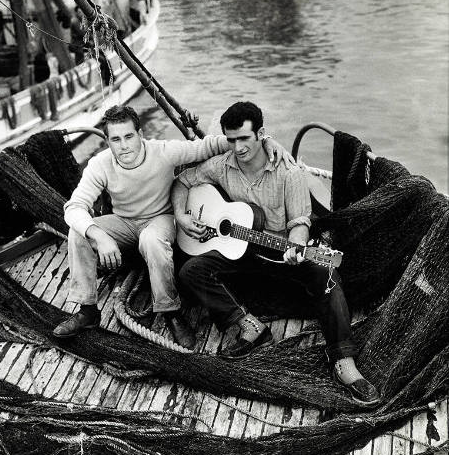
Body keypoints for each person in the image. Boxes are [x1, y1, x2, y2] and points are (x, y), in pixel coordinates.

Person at [172, 101, 380, 405]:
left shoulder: (290, 173)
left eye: (244, 138)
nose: (238, 147)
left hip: (280, 251)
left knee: (327, 273)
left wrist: (296, 248)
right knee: (190, 271)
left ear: (261, 134)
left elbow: (299, 223)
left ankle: (343, 361)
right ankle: (250, 326)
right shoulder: (221, 165)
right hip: (241, 250)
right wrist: (181, 216)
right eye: (231, 140)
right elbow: (182, 181)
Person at [53, 104, 293, 350]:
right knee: (79, 232)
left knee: (151, 239)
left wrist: (266, 141)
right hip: (123, 221)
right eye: (115, 139)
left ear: (140, 134)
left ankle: (170, 311)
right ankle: (88, 311)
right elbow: (74, 207)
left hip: (160, 218)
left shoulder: (164, 151)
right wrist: (97, 235)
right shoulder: (99, 164)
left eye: (128, 136)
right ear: (107, 141)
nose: (123, 145)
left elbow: (209, 145)